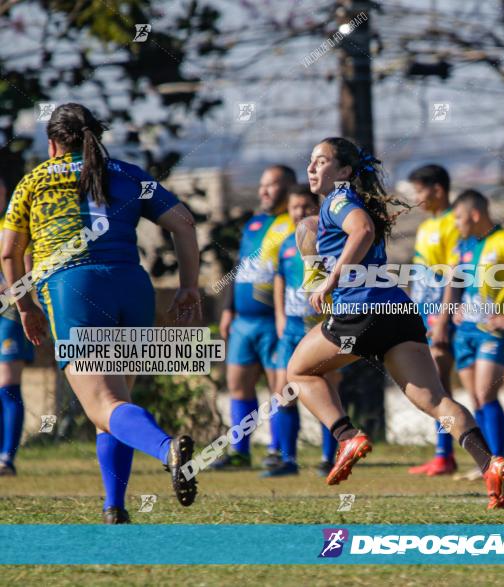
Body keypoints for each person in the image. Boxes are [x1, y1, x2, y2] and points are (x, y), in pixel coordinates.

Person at [1, 103, 201, 523]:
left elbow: (8, 252)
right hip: (131, 285)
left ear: (53, 143)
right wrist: (187, 287)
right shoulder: (129, 174)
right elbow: (183, 223)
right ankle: (115, 507)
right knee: (116, 403)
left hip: (73, 285)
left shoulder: (33, 181)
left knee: (104, 404)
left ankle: (167, 450)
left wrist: (24, 306)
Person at [286, 137, 504, 509]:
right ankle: (490, 463)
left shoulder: (339, 200)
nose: (311, 168)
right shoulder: (348, 202)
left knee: (298, 371)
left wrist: (331, 280)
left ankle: (346, 437)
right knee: (435, 399)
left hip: (363, 311)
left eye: (321, 161)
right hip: (398, 312)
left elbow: (362, 232)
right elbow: (358, 235)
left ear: (343, 172)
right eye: (310, 161)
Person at [438, 189, 504, 481]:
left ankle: (498, 462)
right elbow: (455, 280)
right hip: (465, 331)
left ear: (475, 214)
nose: (455, 223)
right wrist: (449, 313)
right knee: (476, 400)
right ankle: (487, 463)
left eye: (458, 217)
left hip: (492, 333)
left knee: (485, 392)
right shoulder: (463, 245)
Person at [212, 165, 297, 471]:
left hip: (275, 320)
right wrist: (228, 309)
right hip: (243, 322)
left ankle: (280, 452)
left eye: (271, 185)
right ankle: (240, 452)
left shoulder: (295, 223)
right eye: (262, 185)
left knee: (281, 389)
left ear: (288, 188)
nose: (263, 191)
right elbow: (239, 268)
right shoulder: (254, 224)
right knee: (237, 384)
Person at [264, 185, 324, 477]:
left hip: (321, 328)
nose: (300, 212)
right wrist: (279, 316)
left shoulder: (329, 239)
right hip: (290, 327)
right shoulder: (287, 243)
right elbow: (279, 282)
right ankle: (288, 460)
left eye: (306, 206)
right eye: (295, 207)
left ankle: (330, 457)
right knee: (283, 392)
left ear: (317, 207)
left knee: (328, 390)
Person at [406, 164, 461, 477]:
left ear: (438, 189)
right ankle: (444, 453)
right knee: (435, 383)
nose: (416, 197)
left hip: (444, 314)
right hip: (425, 314)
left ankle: (448, 453)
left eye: (420, 190)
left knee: (440, 382)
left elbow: (455, 272)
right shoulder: (428, 226)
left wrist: (443, 317)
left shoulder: (455, 222)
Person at [0, 177, 34, 476]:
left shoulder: (12, 226)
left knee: (7, 386)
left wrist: (11, 292)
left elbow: (28, 265)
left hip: (8, 316)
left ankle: (6, 458)